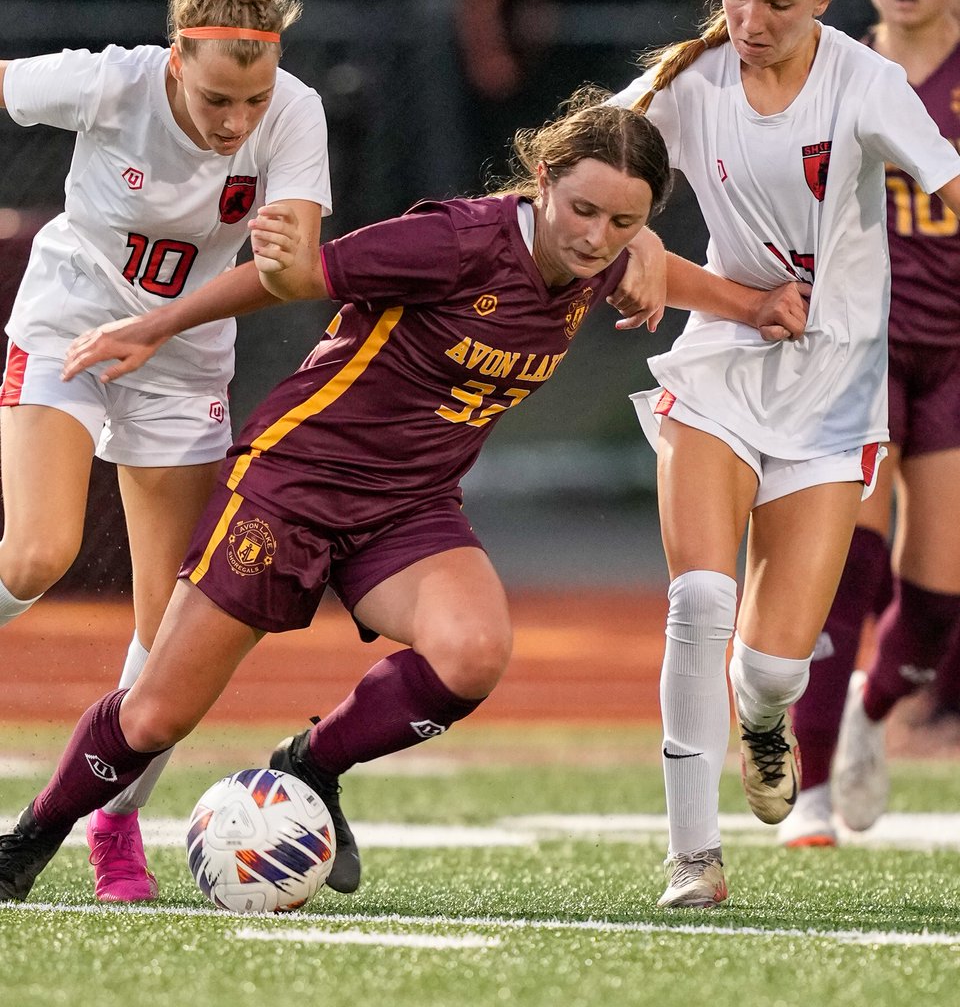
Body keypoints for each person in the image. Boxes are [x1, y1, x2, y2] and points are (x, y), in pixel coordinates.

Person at [0, 90, 814, 904]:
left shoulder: (604, 261)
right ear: (542, 178)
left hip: (411, 507)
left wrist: (752, 304)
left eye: (622, 223)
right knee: (154, 721)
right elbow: (295, 276)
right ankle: (30, 835)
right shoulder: (453, 241)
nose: (597, 237)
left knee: (473, 653)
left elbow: (656, 267)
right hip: (295, 487)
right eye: (583, 211)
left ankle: (312, 763)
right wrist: (158, 326)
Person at [609, 0, 960, 908]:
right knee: (701, 601)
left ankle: (767, 721)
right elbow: (581, 166)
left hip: (838, 390)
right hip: (721, 359)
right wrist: (627, 231)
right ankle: (692, 858)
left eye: (779, 3)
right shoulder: (691, 78)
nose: (751, 24)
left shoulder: (868, 82)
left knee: (771, 669)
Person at [0, 0, 332, 903]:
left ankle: (113, 824)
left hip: (183, 358)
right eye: (216, 100)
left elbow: (296, 273)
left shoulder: (295, 112)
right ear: (174, 59)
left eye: (253, 103)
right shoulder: (113, 80)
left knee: (175, 635)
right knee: (36, 554)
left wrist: (264, 270)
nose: (237, 124)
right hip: (70, 316)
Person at [785, 0, 960, 845]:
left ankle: (870, 710)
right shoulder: (833, 71)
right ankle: (809, 789)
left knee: (937, 599)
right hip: (862, 344)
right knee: (848, 550)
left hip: (957, 352)